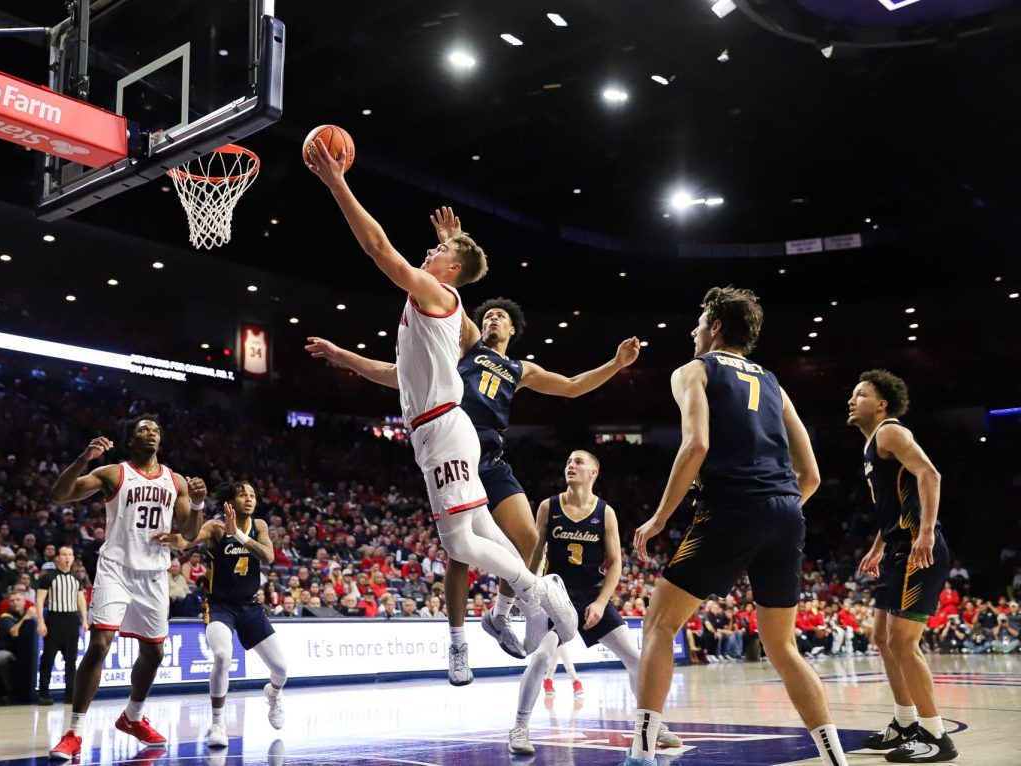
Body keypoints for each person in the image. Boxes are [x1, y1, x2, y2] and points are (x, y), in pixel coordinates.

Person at [308, 210, 641, 683]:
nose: (493, 318)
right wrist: (345, 357)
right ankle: (463, 638)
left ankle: (516, 604)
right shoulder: (463, 343)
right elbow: (402, 368)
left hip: (472, 445)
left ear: (513, 330)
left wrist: (615, 364)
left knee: (512, 541)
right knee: (460, 551)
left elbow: (570, 386)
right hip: (448, 433)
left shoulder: (518, 368)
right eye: (488, 315)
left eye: (501, 316)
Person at [625, 287, 848, 766]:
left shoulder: (693, 370)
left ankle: (641, 754)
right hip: (788, 510)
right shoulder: (773, 382)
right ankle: (835, 760)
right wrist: (774, 512)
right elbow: (810, 475)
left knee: (659, 623)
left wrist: (661, 517)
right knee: (783, 647)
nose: (693, 330)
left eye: (699, 321)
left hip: (731, 507)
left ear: (716, 327)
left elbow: (696, 445)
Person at [46, 417, 207, 760]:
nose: (151, 434)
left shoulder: (174, 479)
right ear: (130, 439)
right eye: (144, 430)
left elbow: (190, 534)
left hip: (153, 573)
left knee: (155, 653)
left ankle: (133, 717)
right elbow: (59, 495)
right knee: (100, 643)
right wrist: (83, 460)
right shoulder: (113, 473)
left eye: (156, 431)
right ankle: (74, 731)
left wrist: (196, 504)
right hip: (116, 568)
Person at [510, 451, 679, 755]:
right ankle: (520, 728)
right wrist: (525, 591)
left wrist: (602, 602)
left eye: (578, 462)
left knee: (637, 659)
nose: (570, 465)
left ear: (593, 472)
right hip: (556, 594)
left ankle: (653, 725)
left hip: (591, 594)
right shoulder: (549, 506)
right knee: (539, 659)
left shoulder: (606, 512)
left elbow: (615, 563)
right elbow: (534, 556)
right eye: (568, 462)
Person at [849, 370, 958, 762]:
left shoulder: (890, 432)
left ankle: (935, 735)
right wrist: (879, 544)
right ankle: (905, 722)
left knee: (902, 642)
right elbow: (894, 505)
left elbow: (930, 474)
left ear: (881, 404)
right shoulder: (871, 446)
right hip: (897, 547)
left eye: (860, 394)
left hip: (917, 549)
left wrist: (926, 532)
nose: (851, 400)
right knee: (881, 636)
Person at [160, 482, 288, 750]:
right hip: (219, 605)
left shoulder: (260, 526)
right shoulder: (216, 527)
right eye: (243, 495)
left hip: (250, 607)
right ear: (231, 500)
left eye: (253, 495)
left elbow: (268, 555)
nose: (250, 499)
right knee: (222, 655)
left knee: (281, 669)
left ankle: (273, 695)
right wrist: (176, 541)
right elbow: (188, 540)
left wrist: (239, 536)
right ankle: (217, 723)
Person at [36, 546, 88, 705]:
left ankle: (70, 694)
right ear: (57, 558)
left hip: (72, 621)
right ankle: (44, 693)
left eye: (70, 555)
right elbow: (39, 600)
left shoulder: (76, 579)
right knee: (48, 659)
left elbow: (81, 600)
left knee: (71, 661)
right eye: (64, 554)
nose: (67, 557)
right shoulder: (48, 577)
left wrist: (84, 619)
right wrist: (40, 621)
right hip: (54, 620)